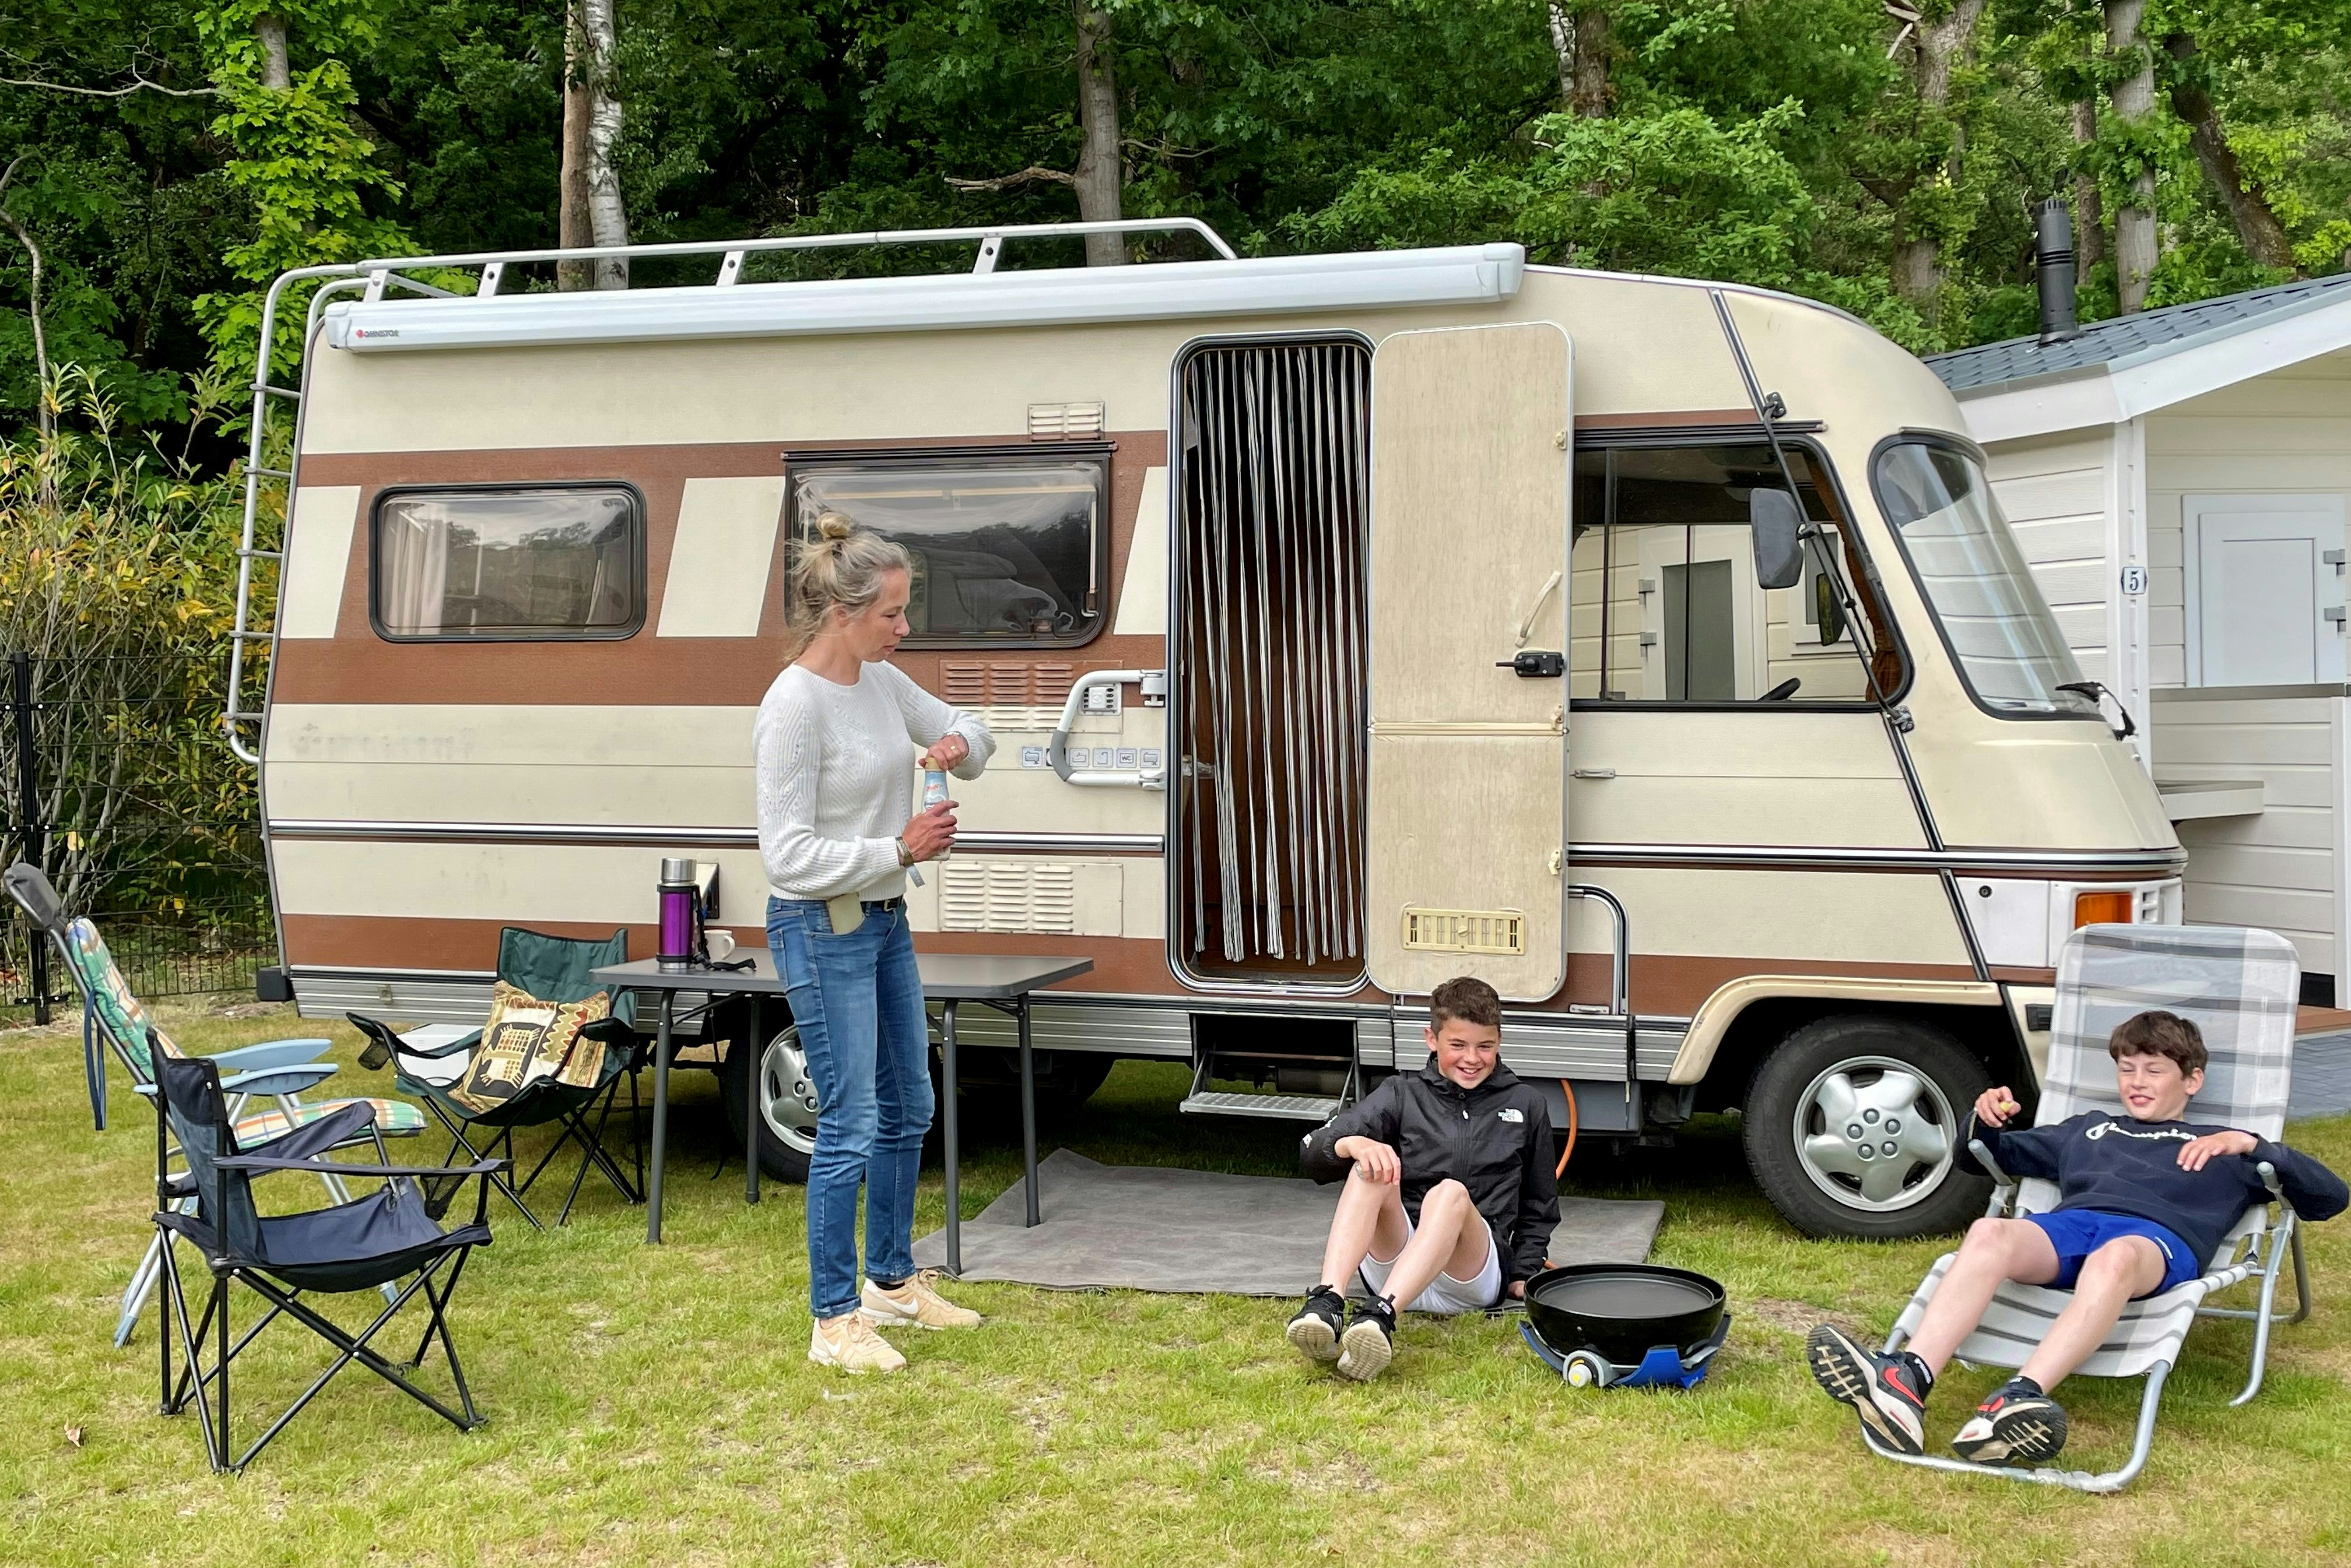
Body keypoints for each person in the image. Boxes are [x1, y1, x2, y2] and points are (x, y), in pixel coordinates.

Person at [1807, 1010, 2346, 1464]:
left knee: (2114, 1258)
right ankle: (1906, 1381)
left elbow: (2330, 1198)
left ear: (2192, 1080)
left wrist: (2254, 1146)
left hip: (2154, 1242)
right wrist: (1986, 1119)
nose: (2137, 1081)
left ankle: (2017, 1399)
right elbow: (1984, 1157)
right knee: (1991, 1231)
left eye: (2154, 1070)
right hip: (2072, 1227)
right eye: (2127, 1069)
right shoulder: (2088, 1128)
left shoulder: (2221, 1146)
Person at [755, 515, 996, 1374]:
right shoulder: (792, 706)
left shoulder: (883, 682)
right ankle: (832, 1321)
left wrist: (959, 743)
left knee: (911, 1106)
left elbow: (974, 729)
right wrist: (898, 848)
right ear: (843, 613)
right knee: (853, 1119)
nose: (905, 626)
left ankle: (891, 1283)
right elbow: (786, 856)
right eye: (892, 612)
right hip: (821, 927)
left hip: (885, 920)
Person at [1286, 976, 1560, 1381]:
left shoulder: (1527, 1103)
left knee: (1449, 1193)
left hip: (1469, 1275)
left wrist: (1523, 1271)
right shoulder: (1402, 1093)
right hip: (1397, 1261)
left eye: (1485, 1046)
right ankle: (1328, 1303)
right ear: (1431, 1039)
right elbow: (1311, 1154)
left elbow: (1540, 1203)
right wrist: (1353, 1145)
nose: (1472, 1058)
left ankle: (1380, 1319)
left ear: (1500, 1041)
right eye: (1458, 1045)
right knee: (1370, 1168)